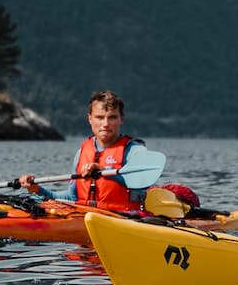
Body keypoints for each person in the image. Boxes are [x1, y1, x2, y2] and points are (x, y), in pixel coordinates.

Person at [18, 89, 148, 214]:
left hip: (124, 216)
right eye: (100, 117)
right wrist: (37, 189)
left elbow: (141, 188)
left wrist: (105, 171)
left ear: (121, 119)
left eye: (112, 117)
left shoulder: (134, 150)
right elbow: (71, 197)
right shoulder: (82, 152)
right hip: (84, 215)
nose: (106, 123)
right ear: (90, 118)